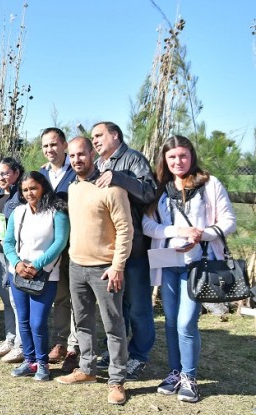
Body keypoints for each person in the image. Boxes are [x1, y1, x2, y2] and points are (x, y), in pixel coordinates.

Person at [142, 135, 236, 403]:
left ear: (191, 156)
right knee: (171, 322)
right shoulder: (160, 188)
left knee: (186, 322)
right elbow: (148, 226)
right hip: (168, 262)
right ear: (165, 160)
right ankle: (175, 373)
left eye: (183, 156)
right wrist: (177, 230)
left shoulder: (209, 184)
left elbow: (228, 221)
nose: (178, 161)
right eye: (172, 157)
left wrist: (201, 234)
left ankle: (190, 378)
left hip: (198, 264)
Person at [55, 137, 132, 406]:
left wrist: (117, 266)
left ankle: (117, 380)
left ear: (93, 155)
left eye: (82, 154)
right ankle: (87, 369)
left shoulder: (112, 188)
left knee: (113, 325)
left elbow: (125, 230)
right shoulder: (74, 188)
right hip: (77, 266)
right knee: (83, 322)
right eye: (73, 155)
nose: (77, 159)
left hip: (105, 270)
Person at [92, 121, 157, 379]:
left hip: (135, 248)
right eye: (93, 137)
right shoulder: (98, 165)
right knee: (118, 307)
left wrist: (119, 178)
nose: (95, 141)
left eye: (99, 135)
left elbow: (149, 192)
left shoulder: (133, 160)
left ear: (115, 135)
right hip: (108, 249)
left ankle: (139, 355)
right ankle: (118, 351)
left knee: (139, 306)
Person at [3, 172, 70, 381]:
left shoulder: (56, 212)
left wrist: (37, 265)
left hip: (45, 275)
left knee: (38, 322)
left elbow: (60, 242)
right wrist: (17, 263)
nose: (29, 193)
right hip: (19, 274)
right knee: (22, 319)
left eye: (33, 188)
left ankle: (43, 363)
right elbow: (8, 242)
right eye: (25, 190)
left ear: (43, 187)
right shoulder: (18, 212)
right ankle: (29, 360)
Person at [38, 127, 79, 372]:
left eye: (53, 144)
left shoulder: (76, 172)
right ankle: (62, 341)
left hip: (75, 243)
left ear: (64, 145)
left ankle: (76, 346)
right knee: (61, 296)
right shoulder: (42, 174)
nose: (50, 150)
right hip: (51, 246)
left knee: (78, 297)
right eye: (45, 146)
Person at [0, 157, 24, 364]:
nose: (1, 177)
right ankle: (10, 338)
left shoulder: (21, 196)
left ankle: (21, 344)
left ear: (16, 173)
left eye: (5, 173)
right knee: (6, 299)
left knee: (16, 300)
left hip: (14, 255)